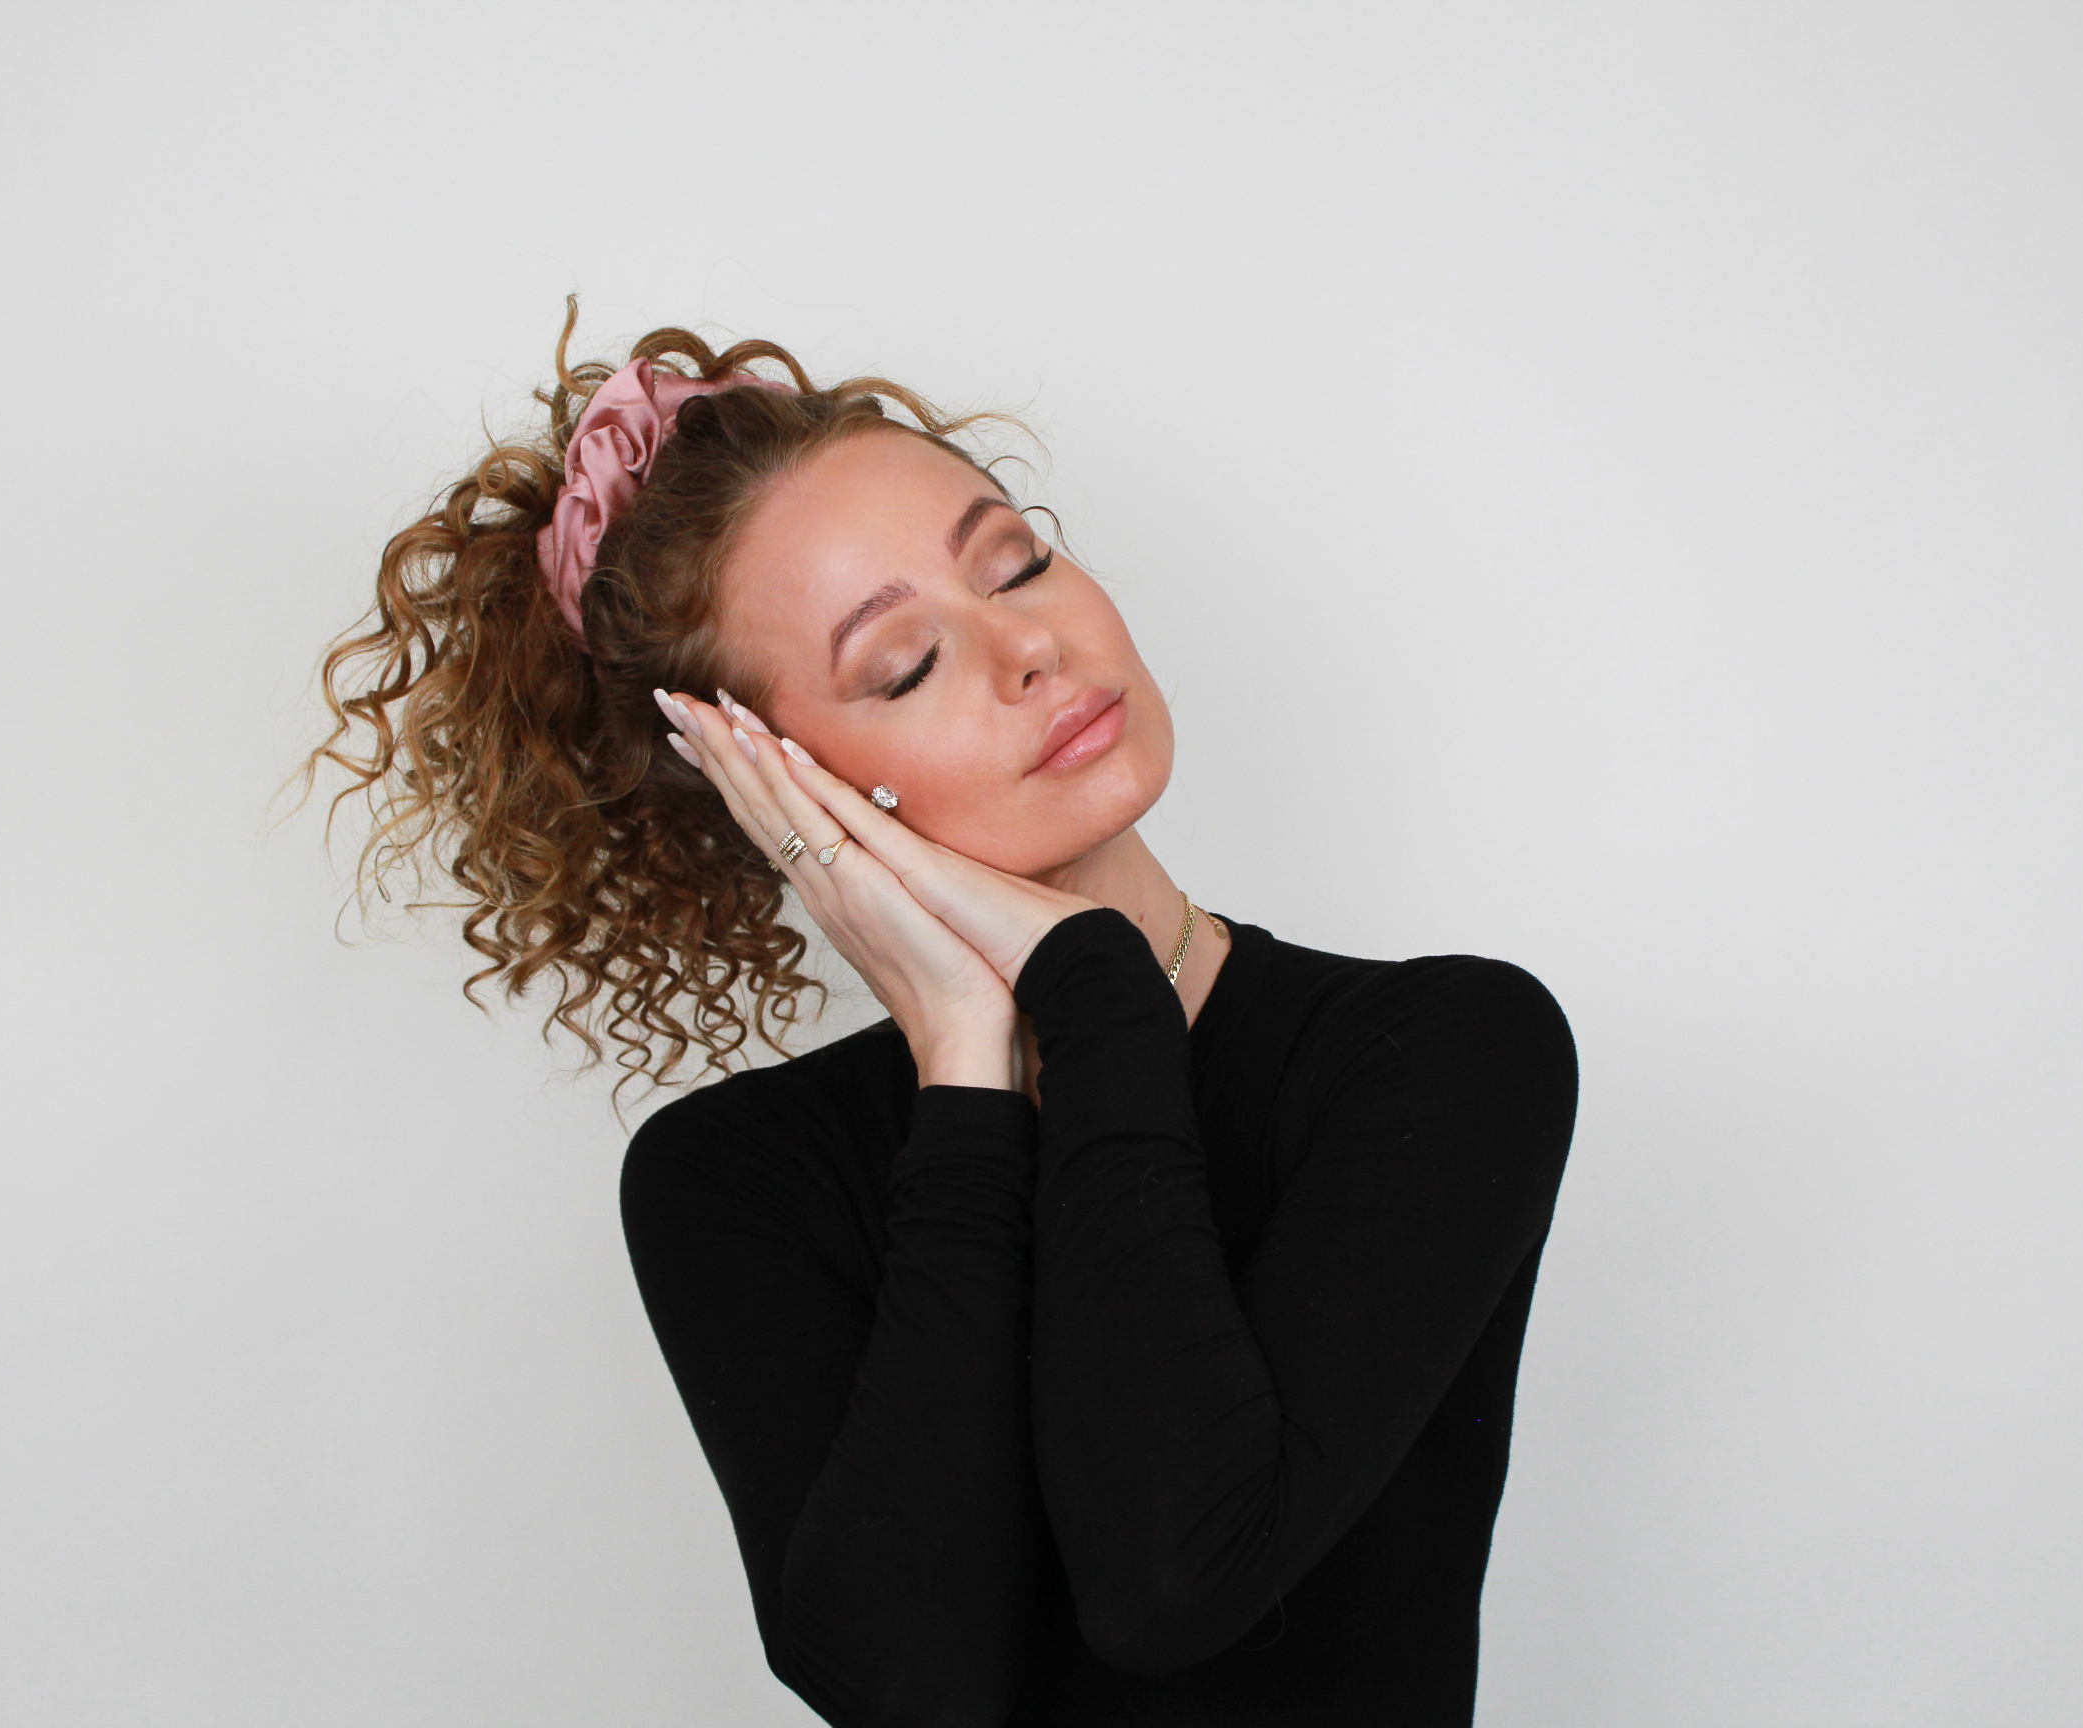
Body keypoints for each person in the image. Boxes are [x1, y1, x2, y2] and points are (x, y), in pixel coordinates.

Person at [303, 303, 1579, 1726]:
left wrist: (1089, 991)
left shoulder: (1442, 1056)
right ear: (773, 785)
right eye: (904, 664)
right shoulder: (736, 1182)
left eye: (1017, 560)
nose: (1029, 647)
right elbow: (911, 1689)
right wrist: (975, 1065)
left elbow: (1178, 1579)